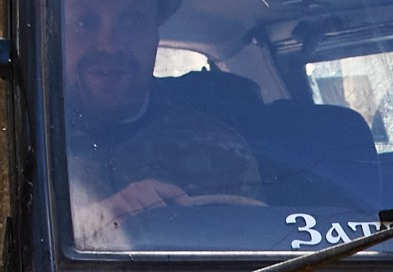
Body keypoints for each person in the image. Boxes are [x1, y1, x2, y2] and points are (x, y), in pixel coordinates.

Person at [61, 0, 263, 245]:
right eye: (85, 22)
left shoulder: (222, 152)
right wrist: (88, 224)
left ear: (155, 35)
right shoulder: (16, 139)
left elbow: (251, 261)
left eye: (132, 21)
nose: (110, 46)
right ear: (54, 35)